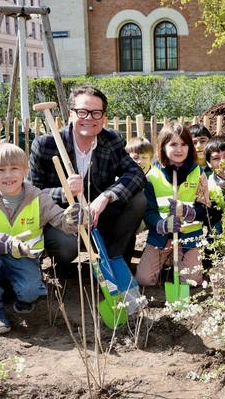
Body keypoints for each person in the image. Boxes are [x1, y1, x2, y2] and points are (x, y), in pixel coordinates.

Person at [0, 143, 84, 335]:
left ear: (25, 171)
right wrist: (3, 242)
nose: (8, 175)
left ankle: (21, 294)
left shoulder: (38, 198)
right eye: (0, 170)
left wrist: (71, 219)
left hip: (26, 258)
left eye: (14, 168)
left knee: (30, 293)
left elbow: (60, 219)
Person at [28, 86, 147, 273]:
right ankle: (63, 266)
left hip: (100, 217)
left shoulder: (111, 140)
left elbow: (136, 174)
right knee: (66, 248)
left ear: (104, 117)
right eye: (82, 112)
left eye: (96, 113)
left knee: (138, 199)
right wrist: (64, 192)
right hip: (64, 219)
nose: (89, 118)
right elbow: (31, 193)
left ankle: (113, 264)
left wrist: (107, 196)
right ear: (71, 114)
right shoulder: (46, 145)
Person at [136, 123, 210, 287]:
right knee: (145, 280)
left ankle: (180, 258)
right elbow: (149, 211)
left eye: (184, 144)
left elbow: (205, 208)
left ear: (189, 147)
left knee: (191, 282)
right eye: (173, 144)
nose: (179, 149)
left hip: (189, 237)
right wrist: (162, 225)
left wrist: (188, 211)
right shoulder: (153, 176)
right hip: (161, 237)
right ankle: (168, 258)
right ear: (163, 147)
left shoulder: (198, 173)